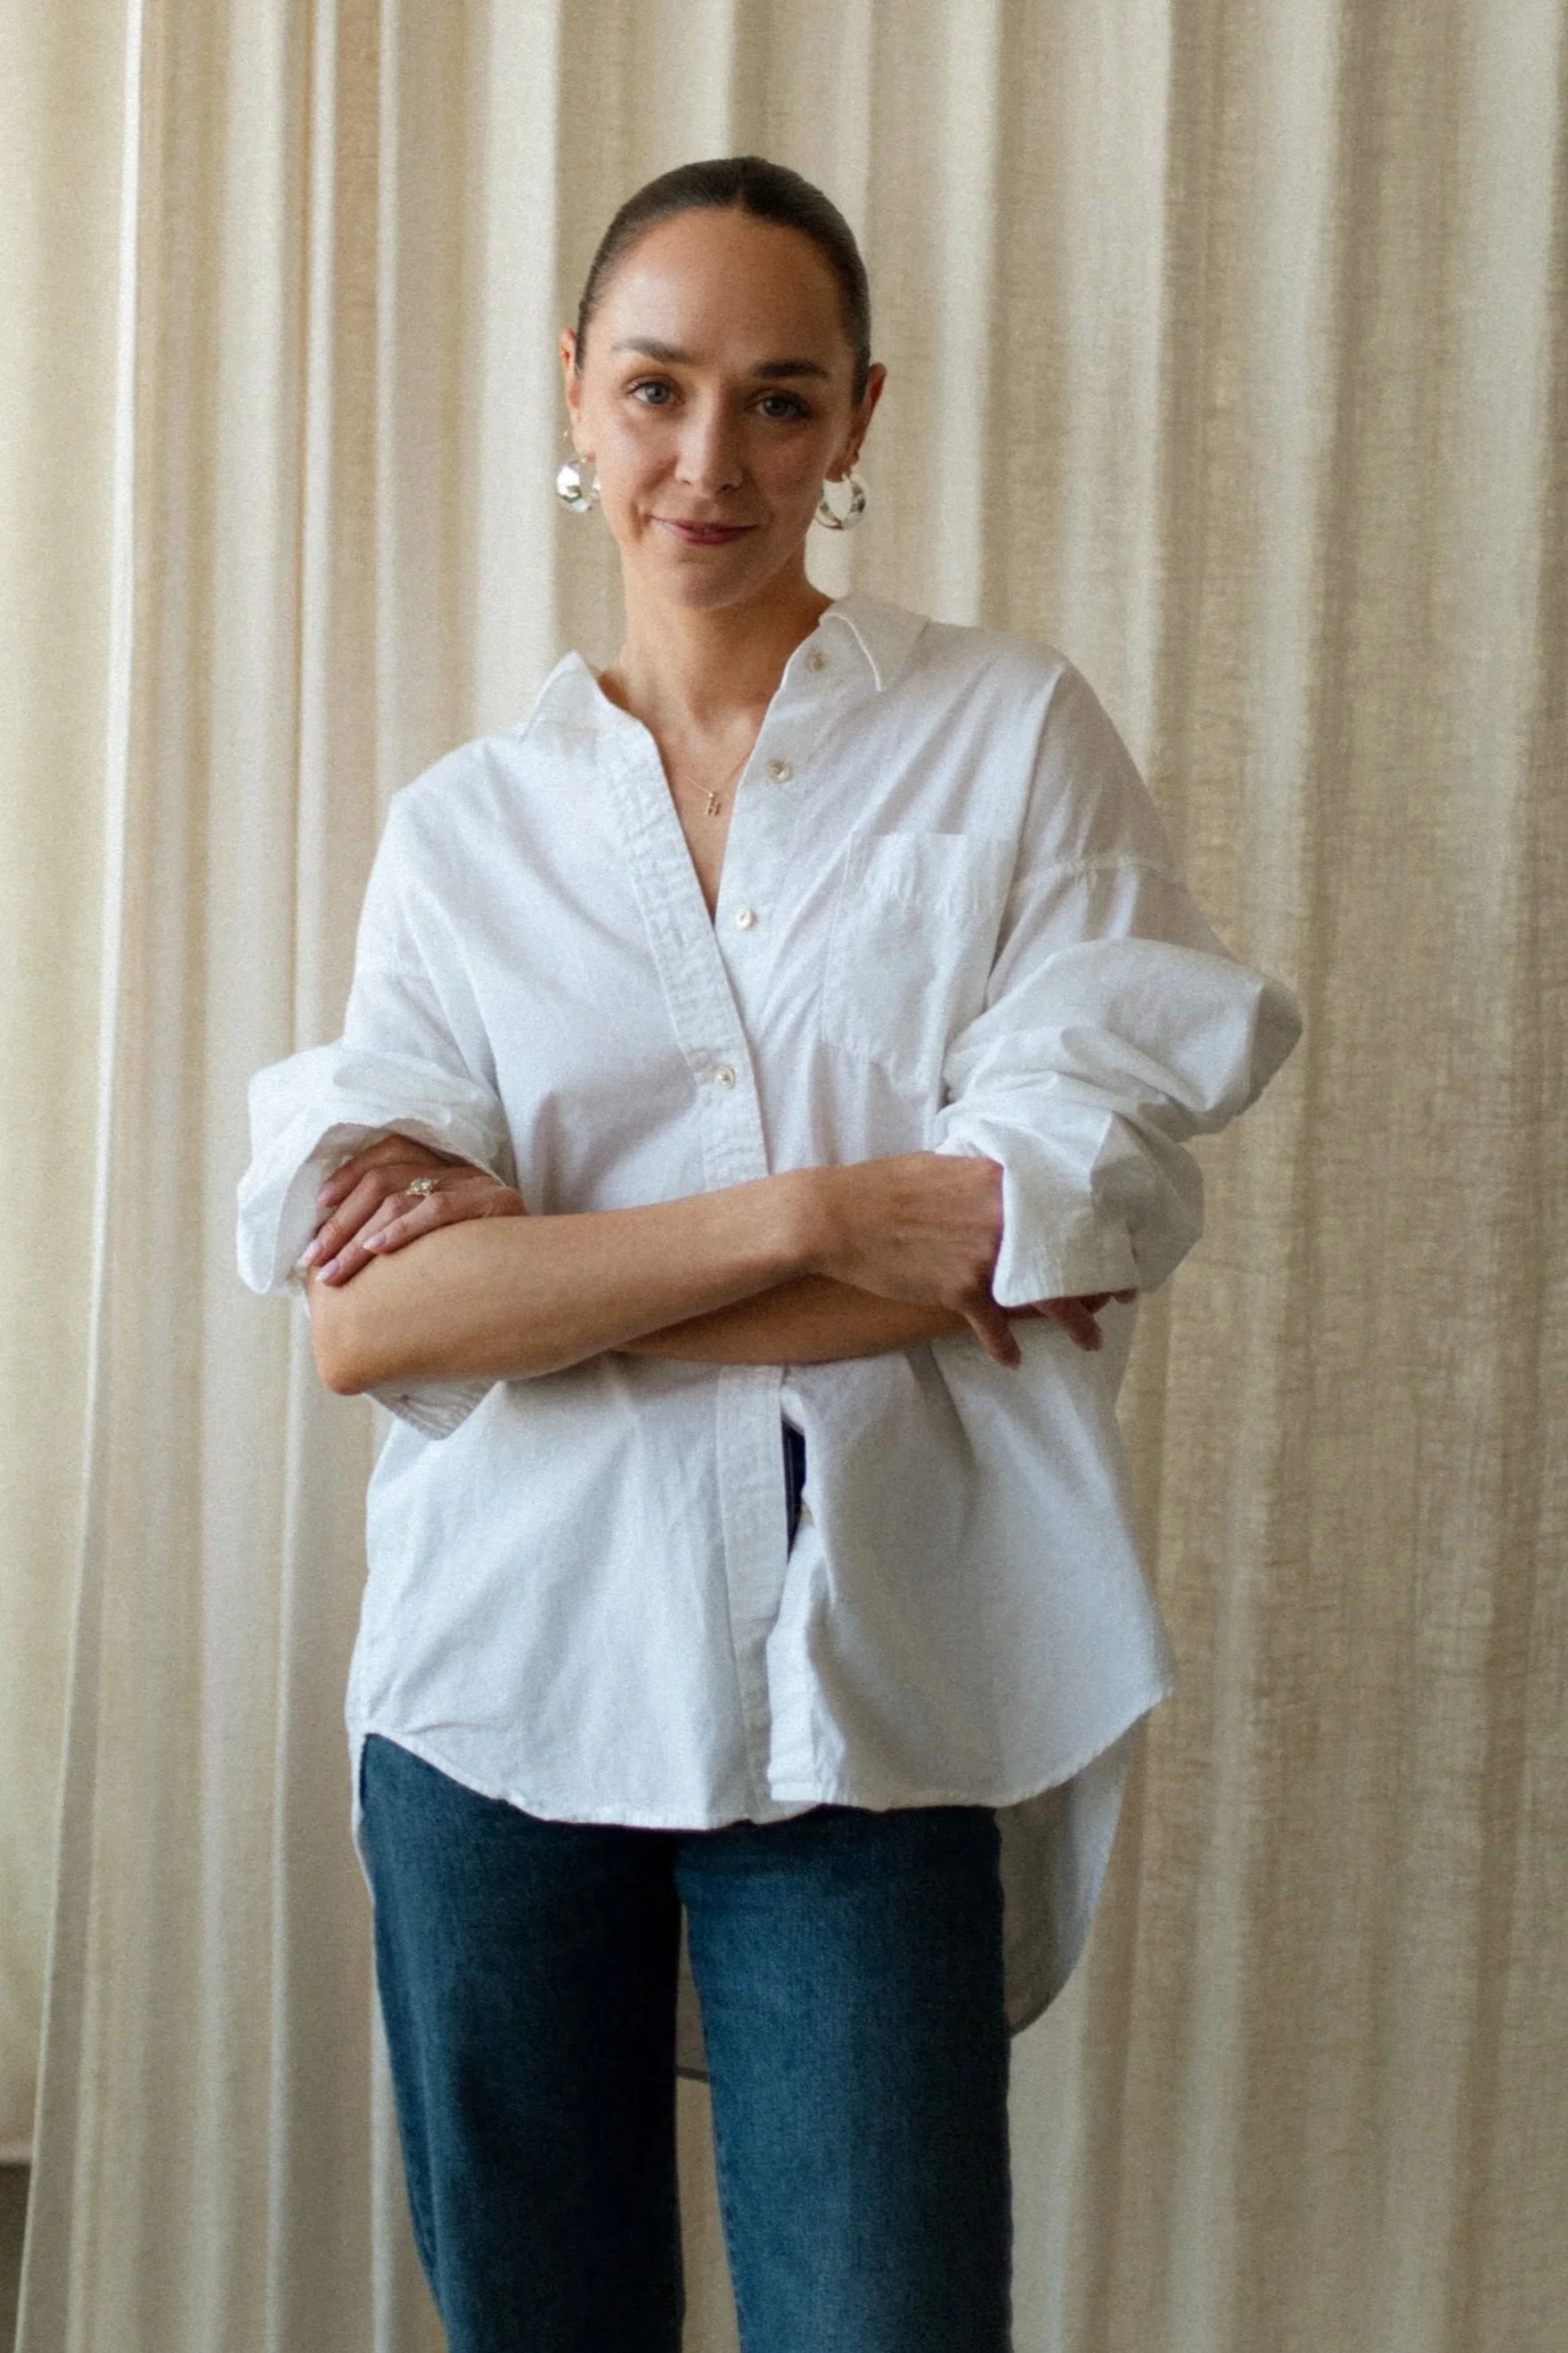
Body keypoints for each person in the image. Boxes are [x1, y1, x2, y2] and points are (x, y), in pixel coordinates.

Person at [237, 155, 1300, 2353]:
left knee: (882, 2320)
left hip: (867, 1698)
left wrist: (550, 1280)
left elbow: (1029, 1223)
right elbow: (373, 1327)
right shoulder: (464, 834)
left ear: (857, 416)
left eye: (778, 399)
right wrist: (827, 1218)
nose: (709, 461)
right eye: (655, 390)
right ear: (575, 394)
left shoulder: (1006, 743)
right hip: (494, 1698)